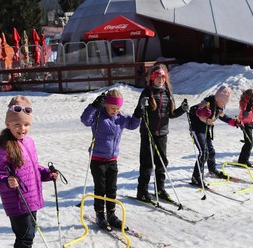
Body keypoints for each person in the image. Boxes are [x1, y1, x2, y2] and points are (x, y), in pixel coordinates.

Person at [0, 96, 58, 248]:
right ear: (8, 124)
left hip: (31, 197)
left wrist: (47, 174)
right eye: (17, 124)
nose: (22, 129)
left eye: (26, 125)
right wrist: (7, 181)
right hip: (17, 201)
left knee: (29, 235)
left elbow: (33, 168)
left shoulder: (28, 142)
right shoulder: (4, 147)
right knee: (24, 237)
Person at [80, 89, 141, 230]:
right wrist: (94, 105)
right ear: (106, 104)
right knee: (100, 188)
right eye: (113, 108)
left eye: (118, 108)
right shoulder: (98, 115)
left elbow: (132, 124)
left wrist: (138, 113)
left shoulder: (120, 116)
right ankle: (100, 215)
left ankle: (111, 215)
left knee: (112, 188)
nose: (115, 111)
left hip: (112, 159)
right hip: (97, 158)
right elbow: (85, 120)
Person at [135, 63, 188, 202]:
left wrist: (182, 109)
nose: (161, 80)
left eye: (163, 78)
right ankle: (142, 191)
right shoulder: (147, 92)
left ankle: (160, 188)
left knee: (162, 162)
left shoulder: (167, 93)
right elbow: (137, 113)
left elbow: (171, 114)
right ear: (152, 78)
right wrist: (142, 105)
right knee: (147, 163)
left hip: (162, 133)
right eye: (158, 78)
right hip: (148, 133)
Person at [189, 86, 240, 186]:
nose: (223, 105)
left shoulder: (219, 107)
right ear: (218, 99)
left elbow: (223, 116)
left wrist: (233, 122)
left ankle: (212, 170)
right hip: (197, 129)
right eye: (223, 102)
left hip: (206, 130)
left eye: (225, 103)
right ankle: (196, 177)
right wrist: (200, 112)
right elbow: (192, 109)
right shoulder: (207, 102)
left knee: (211, 151)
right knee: (203, 153)